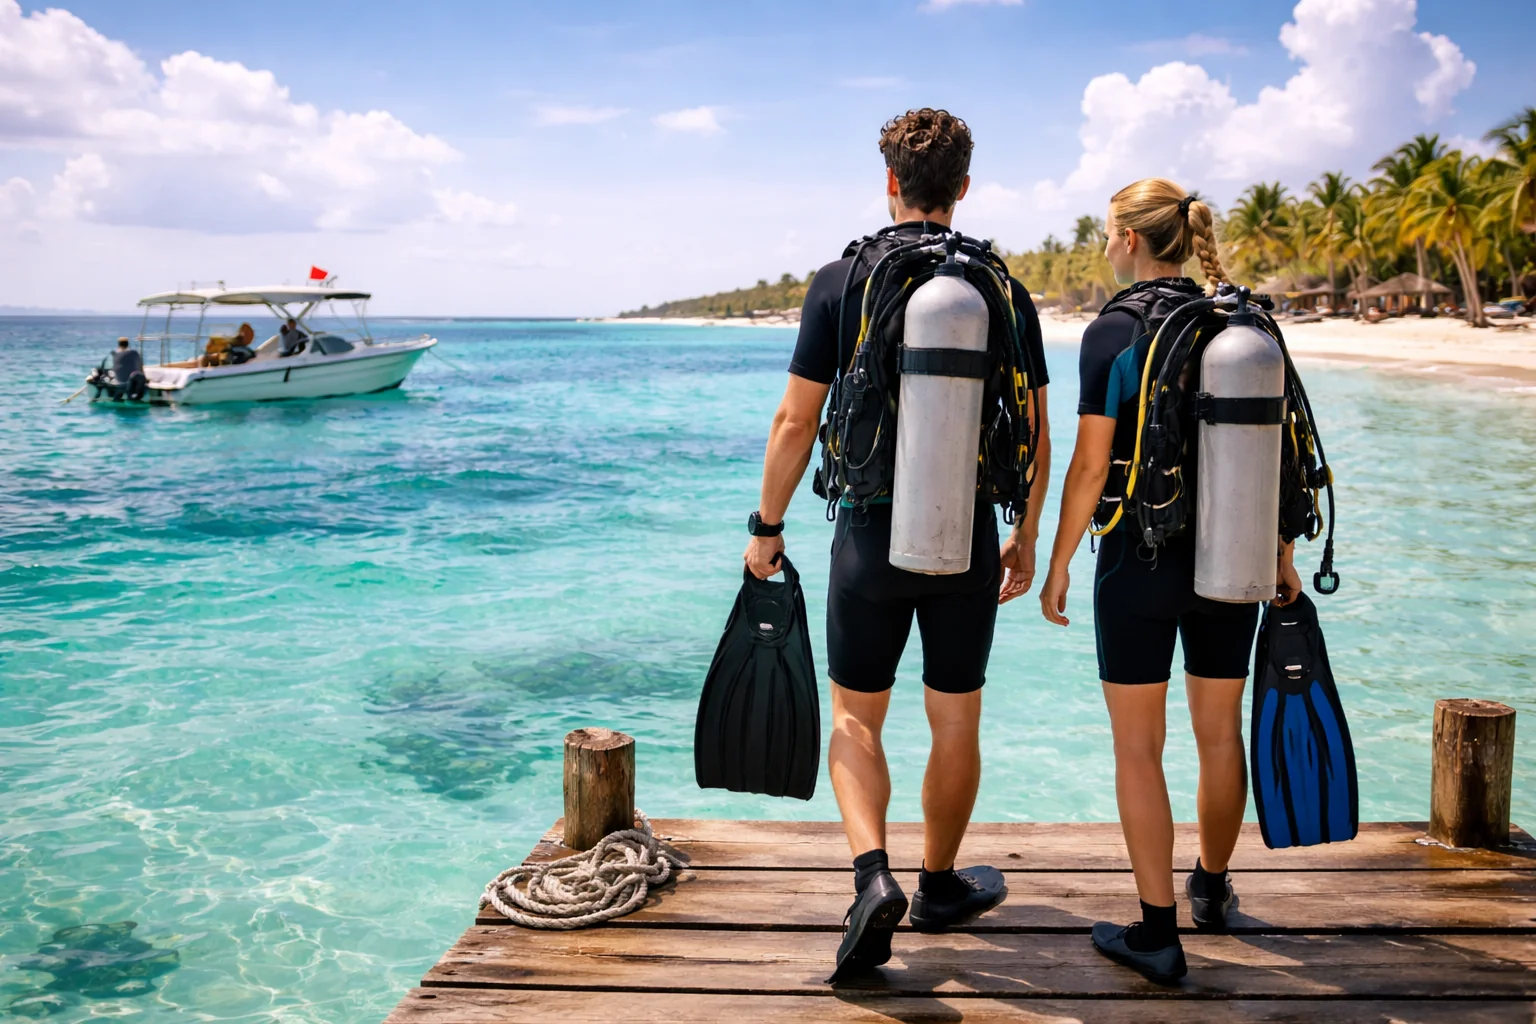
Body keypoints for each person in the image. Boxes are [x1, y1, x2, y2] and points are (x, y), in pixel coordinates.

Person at [743, 108, 1051, 981]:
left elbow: (796, 419)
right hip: (967, 541)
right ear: (963, 187)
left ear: (888, 181)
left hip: (870, 539)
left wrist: (767, 529)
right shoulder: (1000, 287)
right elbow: (1033, 427)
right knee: (955, 717)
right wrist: (1023, 534)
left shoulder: (843, 278)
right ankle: (941, 882)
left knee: (854, 717)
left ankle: (873, 876)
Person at [1037, 177, 1302, 984]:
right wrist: (1282, 556)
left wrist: (1055, 562)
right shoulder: (1243, 325)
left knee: (1139, 747)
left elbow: (1090, 466)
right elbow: (1284, 456)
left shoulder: (1113, 331)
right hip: (1234, 558)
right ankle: (1214, 891)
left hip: (1136, 563)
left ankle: (1157, 932)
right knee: (1218, 733)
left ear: (1127, 239)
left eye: (1108, 234)